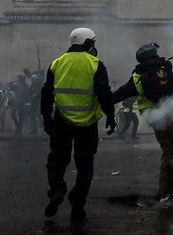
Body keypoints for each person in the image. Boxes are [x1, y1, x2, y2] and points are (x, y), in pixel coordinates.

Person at [41, 27, 115, 222]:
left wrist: (47, 119)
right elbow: (104, 93)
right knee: (85, 164)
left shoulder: (57, 63)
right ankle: (78, 203)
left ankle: (57, 189)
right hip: (88, 123)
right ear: (89, 43)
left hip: (61, 120)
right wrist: (111, 116)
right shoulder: (95, 64)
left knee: (56, 161)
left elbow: (46, 94)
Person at [112, 42, 173, 204]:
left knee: (168, 150)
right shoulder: (165, 69)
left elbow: (120, 94)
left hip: (155, 118)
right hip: (171, 115)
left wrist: (103, 100)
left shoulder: (137, 77)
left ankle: (165, 192)